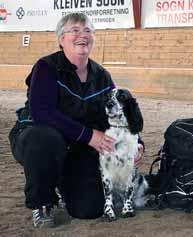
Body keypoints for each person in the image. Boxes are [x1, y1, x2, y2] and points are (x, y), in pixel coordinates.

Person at [8, 13, 144, 228]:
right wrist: (89, 135)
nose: (83, 35)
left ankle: (64, 183)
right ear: (61, 39)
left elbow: (123, 111)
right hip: (37, 138)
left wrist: (137, 142)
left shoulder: (102, 76)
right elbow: (41, 112)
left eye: (88, 30)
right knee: (45, 139)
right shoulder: (46, 67)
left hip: (78, 146)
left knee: (89, 209)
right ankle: (42, 203)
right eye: (75, 30)